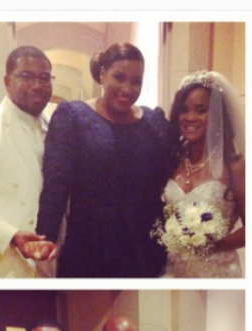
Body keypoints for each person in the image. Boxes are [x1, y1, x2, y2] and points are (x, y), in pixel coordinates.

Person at [33, 43, 171, 278]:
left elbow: (171, 176)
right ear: (102, 74)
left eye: (136, 81)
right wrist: (45, 238)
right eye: (119, 77)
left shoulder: (154, 122)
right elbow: (56, 186)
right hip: (89, 243)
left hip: (144, 243)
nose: (127, 88)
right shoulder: (73, 116)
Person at [161, 70, 246, 278]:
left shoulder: (234, 166)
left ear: (217, 115)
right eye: (184, 110)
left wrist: (214, 244)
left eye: (200, 110)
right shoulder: (171, 160)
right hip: (175, 271)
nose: (190, 118)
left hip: (217, 272)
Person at [0, 46, 58, 278]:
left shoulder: (57, 130)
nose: (37, 85)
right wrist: (10, 234)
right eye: (26, 77)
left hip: (49, 259)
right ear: (7, 81)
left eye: (44, 77)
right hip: (4, 262)